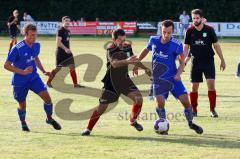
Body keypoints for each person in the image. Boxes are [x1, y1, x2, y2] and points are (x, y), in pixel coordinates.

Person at [134, 20, 203, 135]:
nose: (166, 35)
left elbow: (182, 62)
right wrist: (137, 63)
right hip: (158, 79)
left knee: (186, 101)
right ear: (161, 30)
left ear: (173, 32)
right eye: (164, 32)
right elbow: (146, 50)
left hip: (173, 79)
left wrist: (178, 74)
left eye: (169, 33)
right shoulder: (153, 40)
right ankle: (163, 123)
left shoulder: (176, 44)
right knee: (160, 102)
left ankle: (191, 123)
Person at [81, 29, 151, 136]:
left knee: (138, 99)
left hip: (124, 80)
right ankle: (88, 129)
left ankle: (133, 121)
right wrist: (128, 61)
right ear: (113, 39)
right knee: (102, 108)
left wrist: (145, 69)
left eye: (124, 40)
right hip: (111, 81)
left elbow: (133, 59)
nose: (123, 43)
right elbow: (114, 64)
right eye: (120, 40)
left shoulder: (127, 46)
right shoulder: (110, 49)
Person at [4, 23, 61, 132]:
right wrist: (23, 72)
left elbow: (35, 58)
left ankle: (49, 119)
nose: (33, 38)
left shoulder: (36, 45)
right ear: (25, 34)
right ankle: (23, 123)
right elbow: (6, 65)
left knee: (48, 99)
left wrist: (44, 71)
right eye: (31, 35)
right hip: (20, 81)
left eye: (35, 35)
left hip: (34, 78)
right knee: (22, 104)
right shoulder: (17, 48)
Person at [184, 9, 226, 117]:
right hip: (195, 62)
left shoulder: (210, 30)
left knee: (211, 85)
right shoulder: (189, 31)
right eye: (193, 18)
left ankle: (212, 110)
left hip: (208, 62)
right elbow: (186, 47)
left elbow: (216, 46)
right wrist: (183, 61)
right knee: (194, 87)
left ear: (202, 19)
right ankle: (194, 110)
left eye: (197, 18)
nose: (195, 20)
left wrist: (222, 60)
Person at [47, 16, 84, 88]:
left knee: (72, 66)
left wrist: (68, 49)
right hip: (61, 53)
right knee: (58, 69)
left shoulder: (68, 31)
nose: (67, 22)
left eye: (68, 21)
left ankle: (75, 84)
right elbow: (58, 42)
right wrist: (65, 49)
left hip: (68, 53)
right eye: (66, 21)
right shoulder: (60, 30)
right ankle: (48, 82)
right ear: (63, 22)